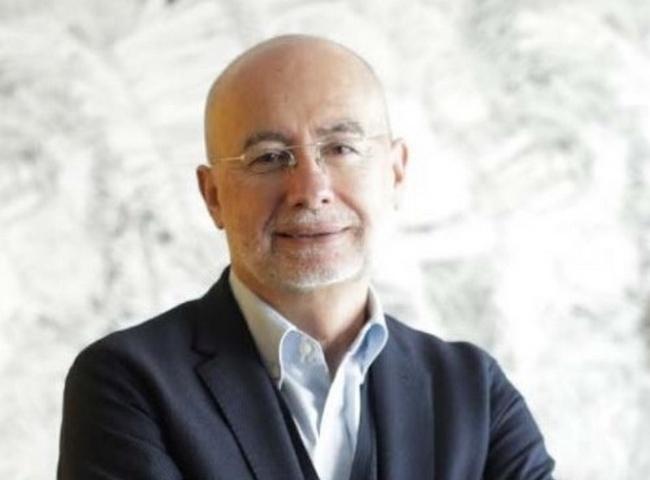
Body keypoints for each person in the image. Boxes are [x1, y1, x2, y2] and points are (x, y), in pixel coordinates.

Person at [58, 35, 555, 480]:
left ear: (396, 172)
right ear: (213, 196)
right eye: (269, 157)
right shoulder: (129, 384)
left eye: (340, 148)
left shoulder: (475, 393)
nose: (311, 190)